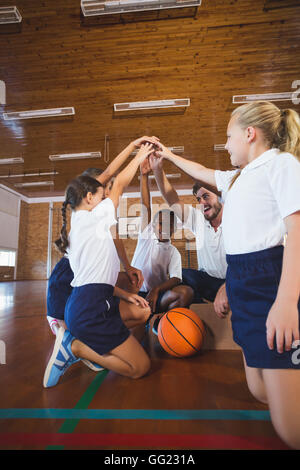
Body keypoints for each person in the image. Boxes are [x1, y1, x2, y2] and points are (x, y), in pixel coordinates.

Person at [155, 101, 300, 449]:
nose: (226, 144)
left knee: (290, 428)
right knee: (258, 390)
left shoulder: (281, 164)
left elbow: (297, 231)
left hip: (269, 278)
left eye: (228, 136)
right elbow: (200, 170)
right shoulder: (236, 178)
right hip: (241, 279)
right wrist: (167, 156)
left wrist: (286, 301)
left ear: (250, 134)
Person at [43, 143, 155, 388]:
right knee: (141, 367)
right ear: (90, 197)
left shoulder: (86, 223)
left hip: (91, 302)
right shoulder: (91, 218)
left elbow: (96, 279)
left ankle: (81, 339)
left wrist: (126, 294)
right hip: (87, 309)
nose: (107, 194)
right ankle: (75, 347)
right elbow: (118, 182)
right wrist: (139, 153)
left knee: (140, 312)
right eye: (101, 191)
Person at [149, 155, 229, 319]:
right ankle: (154, 316)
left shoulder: (234, 219)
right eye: (198, 199)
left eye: (206, 196)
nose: (202, 203)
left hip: (233, 283)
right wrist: (157, 170)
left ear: (220, 196)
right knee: (181, 274)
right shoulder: (198, 218)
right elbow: (172, 200)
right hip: (208, 282)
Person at [129, 158, 193, 332]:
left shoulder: (172, 252)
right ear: (152, 225)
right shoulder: (146, 236)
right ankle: (143, 320)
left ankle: (162, 322)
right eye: (159, 223)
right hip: (138, 295)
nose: (163, 227)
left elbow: (176, 278)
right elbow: (144, 205)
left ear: (173, 229)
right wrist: (144, 176)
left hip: (157, 297)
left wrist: (157, 289)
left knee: (185, 292)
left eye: (168, 225)